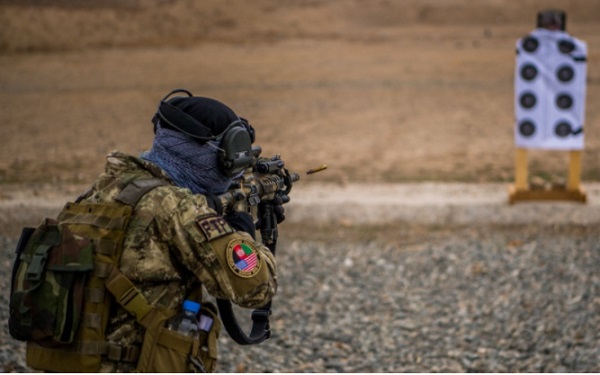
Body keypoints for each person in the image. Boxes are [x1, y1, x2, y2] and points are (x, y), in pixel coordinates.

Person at [87, 89, 279, 371]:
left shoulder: (105, 188)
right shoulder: (180, 210)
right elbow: (257, 288)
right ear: (220, 157)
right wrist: (243, 231)